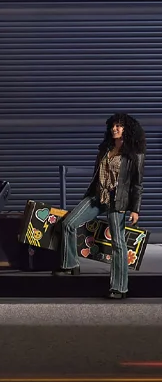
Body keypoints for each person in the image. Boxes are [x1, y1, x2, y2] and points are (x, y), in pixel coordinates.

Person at [54, 113, 146, 299]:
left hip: (116, 201)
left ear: (127, 129)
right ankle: (70, 265)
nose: (115, 129)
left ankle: (119, 288)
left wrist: (135, 209)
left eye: (119, 126)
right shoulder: (105, 148)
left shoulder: (134, 154)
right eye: (113, 126)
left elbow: (137, 184)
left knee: (118, 244)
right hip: (97, 196)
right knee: (68, 223)